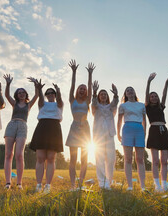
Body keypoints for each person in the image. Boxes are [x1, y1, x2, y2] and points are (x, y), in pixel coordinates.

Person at [3, 75, 38, 190]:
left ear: (26, 94)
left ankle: (19, 183)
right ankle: (8, 183)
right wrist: (8, 84)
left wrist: (35, 84)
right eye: (19, 93)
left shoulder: (28, 104)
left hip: (23, 126)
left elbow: (37, 95)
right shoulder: (14, 104)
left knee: (19, 154)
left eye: (23, 92)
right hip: (12, 125)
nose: (21, 94)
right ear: (17, 95)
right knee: (8, 154)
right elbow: (7, 95)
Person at [29, 80, 64, 193]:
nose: (49, 94)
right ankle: (39, 185)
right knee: (40, 158)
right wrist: (39, 89)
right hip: (42, 127)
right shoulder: (42, 104)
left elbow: (59, 100)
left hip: (54, 128)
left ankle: (48, 185)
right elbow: (40, 99)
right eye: (47, 93)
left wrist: (58, 90)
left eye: (52, 93)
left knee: (51, 158)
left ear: (55, 94)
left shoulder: (59, 104)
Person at [65, 59, 95, 189]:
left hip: (85, 129)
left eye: (84, 89)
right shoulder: (72, 100)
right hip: (74, 128)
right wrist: (74, 71)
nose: (82, 90)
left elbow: (90, 87)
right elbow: (72, 85)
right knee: (73, 159)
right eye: (80, 89)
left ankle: (80, 184)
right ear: (77, 90)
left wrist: (89, 74)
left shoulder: (87, 101)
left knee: (84, 159)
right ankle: (72, 185)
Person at [145, 72, 168, 192]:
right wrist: (149, 82)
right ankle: (157, 185)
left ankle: (164, 184)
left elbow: (164, 93)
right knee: (155, 161)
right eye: (152, 96)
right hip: (154, 131)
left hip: (163, 132)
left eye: (155, 96)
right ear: (149, 99)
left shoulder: (161, 106)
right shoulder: (147, 107)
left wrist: (167, 81)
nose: (154, 98)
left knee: (164, 161)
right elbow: (146, 94)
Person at [117, 86, 147, 192]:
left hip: (139, 130)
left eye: (131, 90)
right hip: (127, 130)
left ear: (135, 92)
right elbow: (119, 120)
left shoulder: (141, 105)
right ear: (125, 94)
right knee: (128, 159)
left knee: (140, 159)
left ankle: (143, 186)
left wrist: (144, 132)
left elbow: (144, 120)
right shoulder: (123, 106)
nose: (130, 91)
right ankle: (130, 186)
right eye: (127, 90)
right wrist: (118, 133)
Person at [91, 80, 119, 189]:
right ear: (98, 96)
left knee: (111, 159)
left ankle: (109, 181)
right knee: (100, 158)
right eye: (101, 94)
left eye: (105, 94)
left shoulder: (111, 107)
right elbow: (93, 102)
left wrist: (115, 94)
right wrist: (94, 92)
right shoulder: (95, 106)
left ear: (107, 96)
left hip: (110, 134)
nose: (103, 95)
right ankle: (102, 182)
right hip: (98, 135)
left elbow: (115, 102)